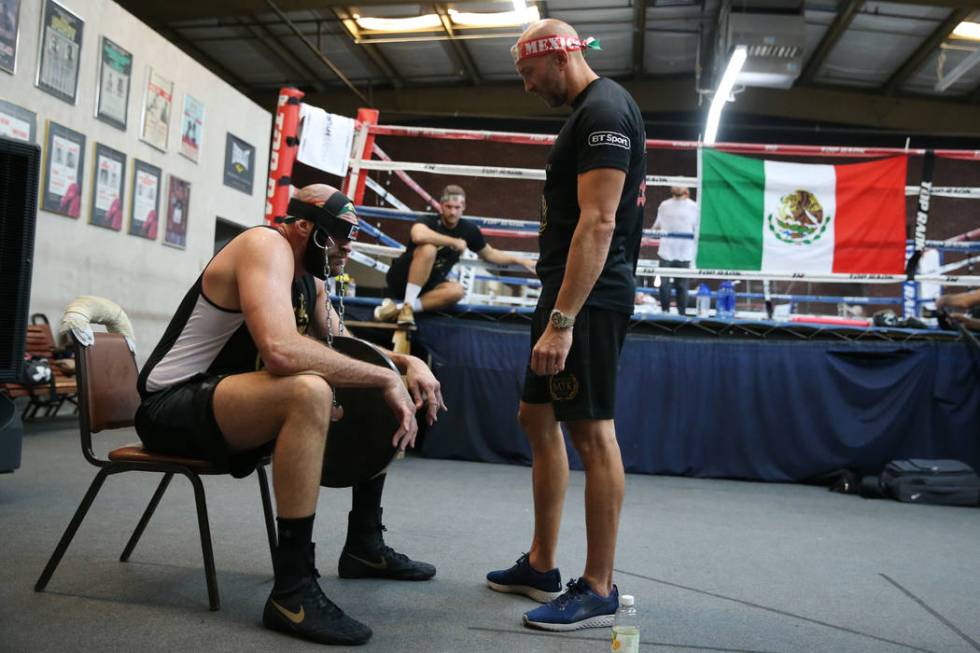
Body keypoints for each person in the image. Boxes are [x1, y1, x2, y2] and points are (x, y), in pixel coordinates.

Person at [135, 184, 445, 646]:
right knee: (309, 390)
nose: (348, 247)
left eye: (352, 237)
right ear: (305, 228)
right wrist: (384, 378)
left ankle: (363, 545)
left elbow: (347, 347)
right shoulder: (265, 245)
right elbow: (280, 351)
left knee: (366, 379)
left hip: (226, 402)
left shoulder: (311, 278)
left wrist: (404, 364)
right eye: (339, 237)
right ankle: (293, 589)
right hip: (171, 406)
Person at [486, 19, 647, 631]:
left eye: (528, 73)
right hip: (563, 295)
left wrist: (562, 321)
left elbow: (601, 222)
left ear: (558, 57)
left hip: (587, 303)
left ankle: (599, 586)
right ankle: (541, 563)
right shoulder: (588, 112)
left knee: (592, 434)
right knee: (536, 416)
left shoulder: (604, 110)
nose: (526, 87)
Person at [375, 184, 536, 327]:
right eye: (448, 206)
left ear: (464, 206)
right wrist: (453, 241)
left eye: (457, 207)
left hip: (430, 286)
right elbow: (418, 235)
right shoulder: (429, 220)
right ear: (441, 206)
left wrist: (519, 259)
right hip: (402, 278)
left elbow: (490, 254)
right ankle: (407, 306)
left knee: (457, 291)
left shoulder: (468, 230)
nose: (452, 212)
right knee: (429, 248)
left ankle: (402, 309)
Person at [653, 186, 698, 315]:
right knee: (670, 285)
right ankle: (672, 313)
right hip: (669, 252)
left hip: (682, 252)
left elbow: (656, 227)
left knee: (680, 285)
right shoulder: (665, 205)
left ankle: (675, 313)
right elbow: (657, 226)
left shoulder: (693, 206)